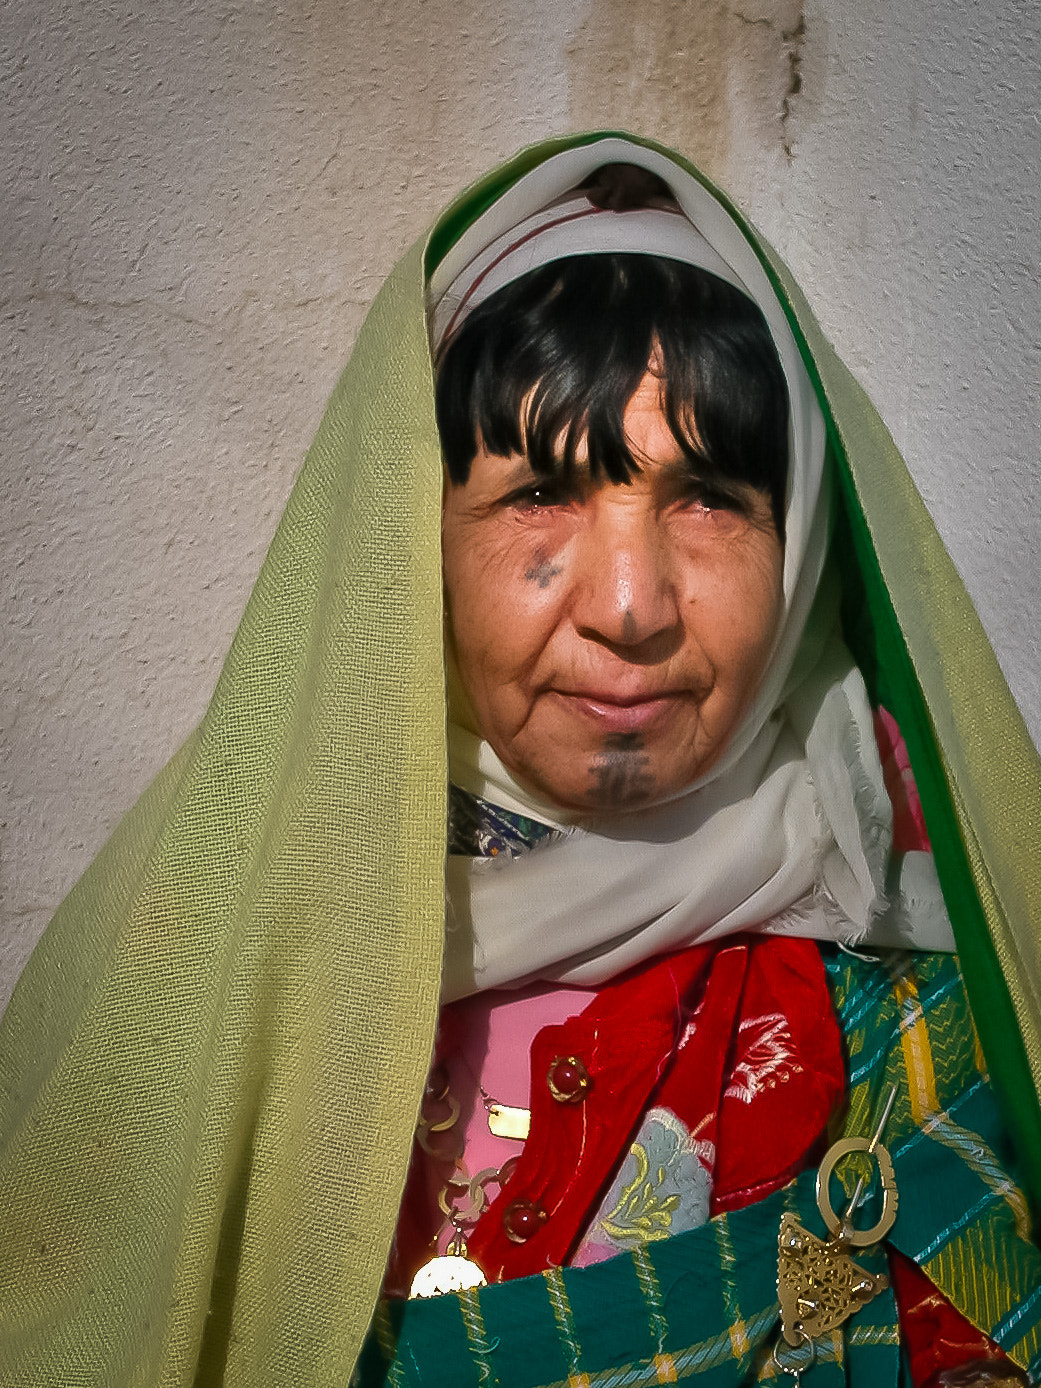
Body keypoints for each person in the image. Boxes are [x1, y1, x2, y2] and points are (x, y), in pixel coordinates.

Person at [1, 133, 1040, 1388]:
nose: (627, 603)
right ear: (412, 538)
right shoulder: (205, 955)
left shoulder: (911, 973)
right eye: (540, 492)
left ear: (803, 541)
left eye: (708, 496)